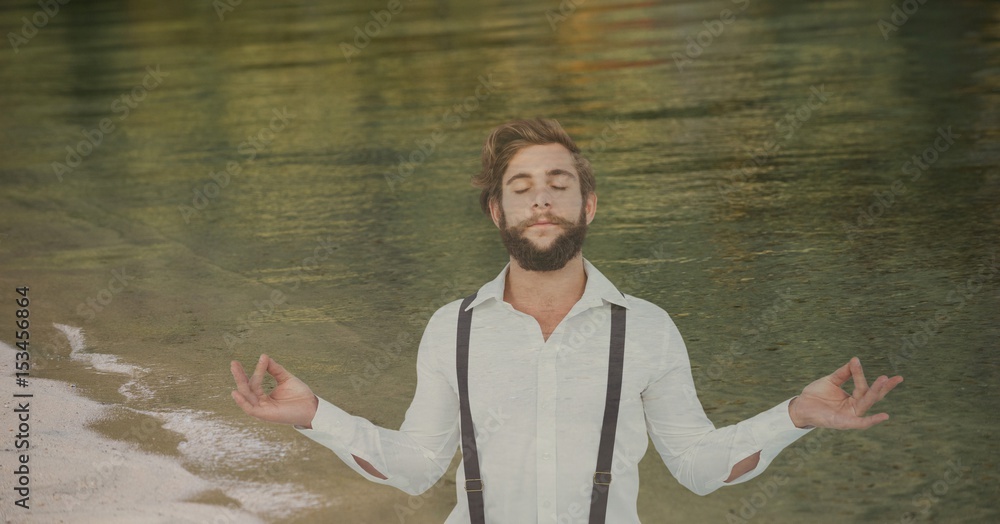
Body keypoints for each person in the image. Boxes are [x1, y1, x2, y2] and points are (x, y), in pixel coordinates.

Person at [230, 118, 903, 523]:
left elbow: (699, 467)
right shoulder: (452, 329)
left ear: (589, 206)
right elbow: (414, 468)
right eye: (521, 189)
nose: (542, 200)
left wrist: (795, 416)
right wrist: (314, 413)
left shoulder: (646, 328)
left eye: (559, 184)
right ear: (498, 213)